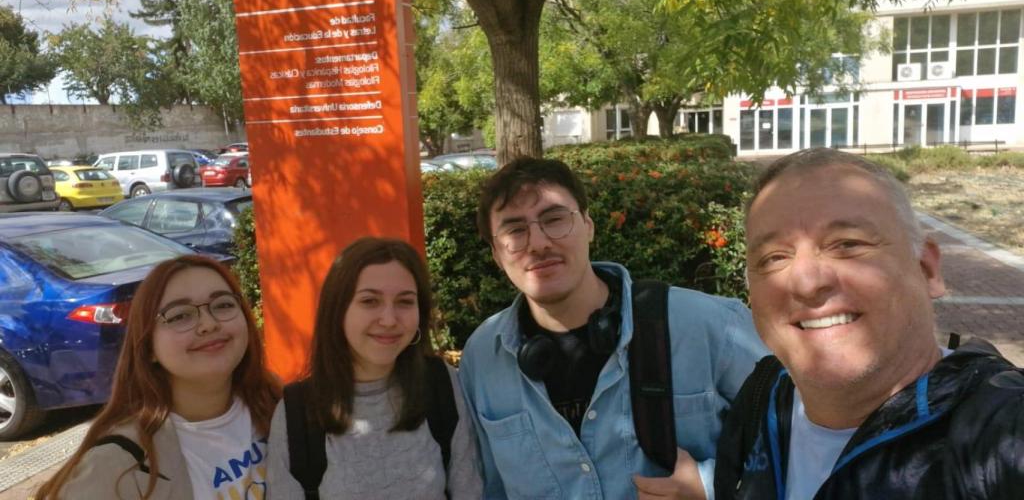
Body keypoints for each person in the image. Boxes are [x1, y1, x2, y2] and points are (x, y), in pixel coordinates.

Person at [715, 148, 1024, 499]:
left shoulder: (1000, 435)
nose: (805, 281)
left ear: (927, 269)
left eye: (847, 244)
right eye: (774, 258)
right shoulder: (764, 395)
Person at [459, 157, 768, 500]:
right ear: (496, 254)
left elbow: (796, 434)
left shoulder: (710, 326)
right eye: (515, 230)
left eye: (554, 219)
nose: (538, 242)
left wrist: (712, 486)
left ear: (589, 225)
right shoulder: (482, 356)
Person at [36, 255, 280, 499]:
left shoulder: (277, 403)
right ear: (149, 346)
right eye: (179, 315)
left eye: (223, 305)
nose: (208, 324)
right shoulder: (117, 466)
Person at [265, 237, 482, 499]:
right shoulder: (297, 412)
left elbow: (469, 489)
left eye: (405, 301)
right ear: (338, 310)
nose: (390, 320)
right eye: (369, 301)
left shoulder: (438, 382)